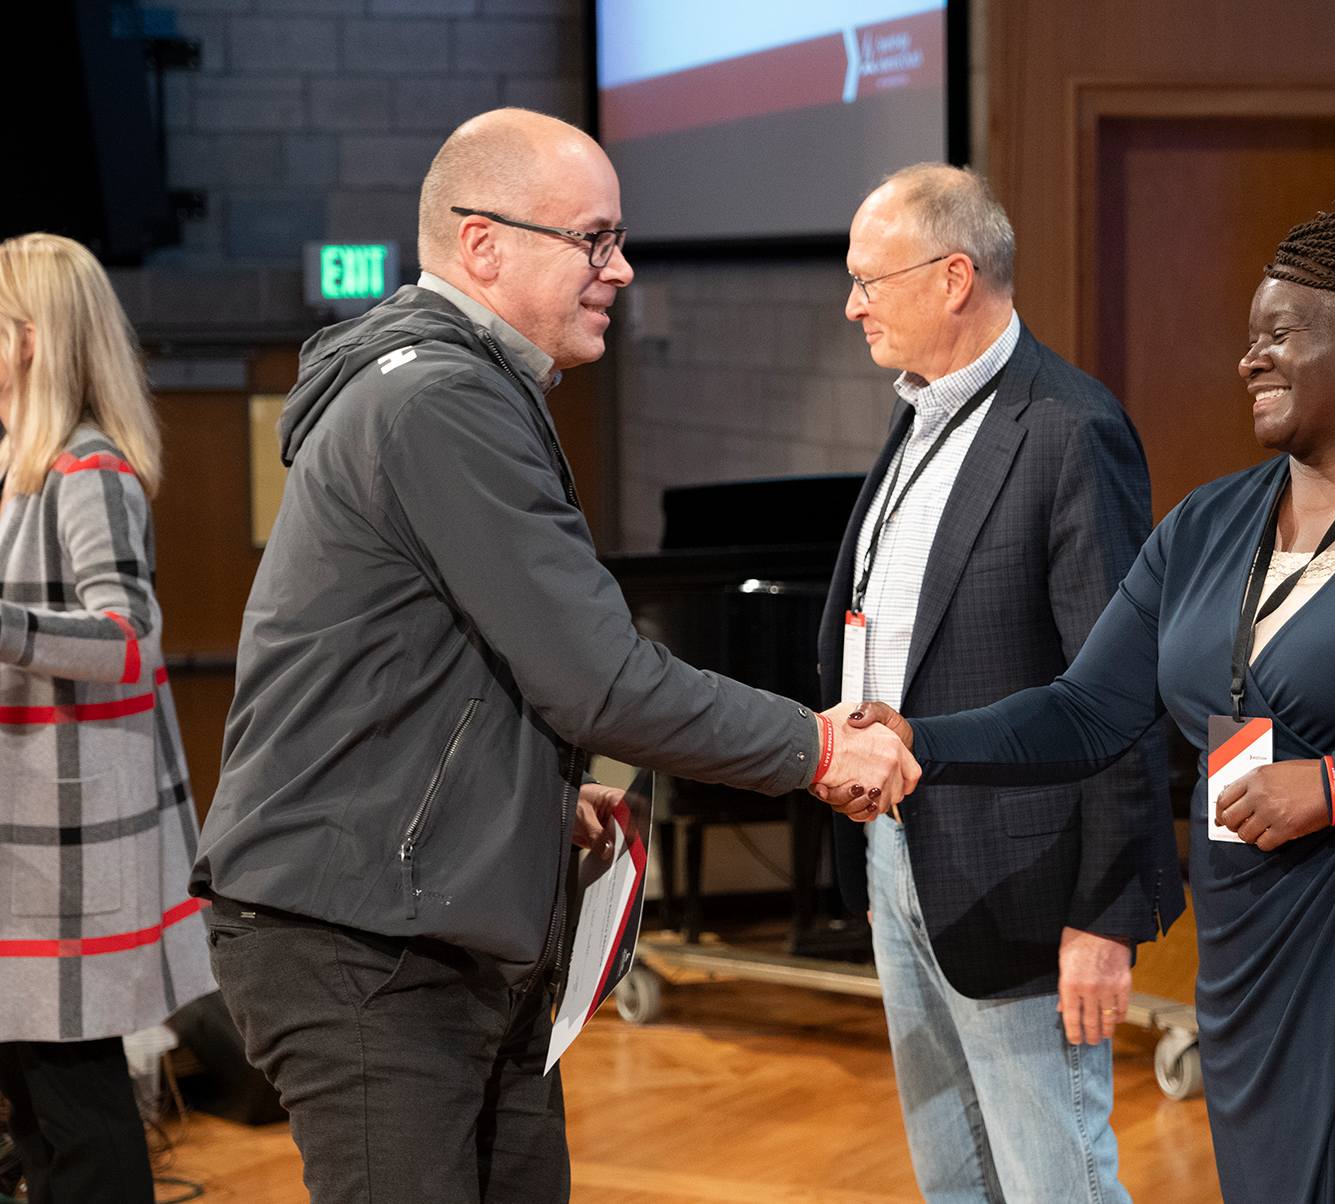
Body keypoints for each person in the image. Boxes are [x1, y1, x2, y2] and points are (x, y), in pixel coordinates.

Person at [832, 171, 1335, 1202]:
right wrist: (924, 739)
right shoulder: (1208, 525)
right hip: (1253, 954)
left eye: (1283, 334)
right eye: (1252, 333)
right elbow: (1089, 706)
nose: (1251, 356)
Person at [189, 108, 914, 1204]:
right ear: (483, 243)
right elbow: (600, 678)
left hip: (433, 923)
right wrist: (815, 746)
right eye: (594, 239)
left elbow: (447, 668)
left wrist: (530, 794)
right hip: (367, 940)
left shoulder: (449, 386)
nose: (618, 269)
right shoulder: (440, 400)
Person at [822, 164, 1183, 1204]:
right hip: (902, 852)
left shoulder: (1071, 429)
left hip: (1026, 877)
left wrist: (1106, 914)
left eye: (868, 280)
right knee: (955, 1178)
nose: (853, 305)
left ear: (952, 278)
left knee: (1053, 1181)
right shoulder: (920, 415)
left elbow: (1119, 694)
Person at [0, 233, 214, 1203]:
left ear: (31, 338)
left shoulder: (88, 471)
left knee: (74, 1101)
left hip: (74, 849)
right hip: (26, 840)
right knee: (33, 1107)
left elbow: (129, 638)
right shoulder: (17, 464)